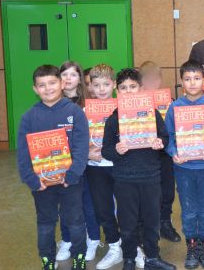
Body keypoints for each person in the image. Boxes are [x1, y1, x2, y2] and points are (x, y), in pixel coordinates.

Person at [101, 69, 176, 270]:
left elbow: (165, 138)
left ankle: (152, 257)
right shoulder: (113, 120)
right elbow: (106, 150)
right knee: (127, 223)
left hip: (151, 177)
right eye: (123, 88)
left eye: (133, 87)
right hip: (124, 179)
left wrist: (160, 143)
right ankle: (129, 258)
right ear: (117, 91)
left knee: (152, 220)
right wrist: (116, 150)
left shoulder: (152, 114)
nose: (129, 91)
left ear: (141, 89)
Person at [17, 64, 89, 270]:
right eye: (42, 85)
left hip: (70, 181)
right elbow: (23, 154)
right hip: (41, 184)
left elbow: (81, 146)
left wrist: (73, 174)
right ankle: (47, 259)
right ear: (34, 89)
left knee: (75, 221)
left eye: (52, 83)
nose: (47, 88)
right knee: (46, 222)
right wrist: (31, 179)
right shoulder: (28, 117)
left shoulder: (75, 112)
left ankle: (79, 257)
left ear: (62, 84)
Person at [164, 60, 204, 270]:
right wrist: (173, 153)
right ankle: (192, 245)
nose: (192, 83)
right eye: (187, 79)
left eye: (196, 78)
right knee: (189, 210)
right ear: (182, 81)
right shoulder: (175, 107)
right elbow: (169, 137)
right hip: (183, 169)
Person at [57, 60, 100, 263]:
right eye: (64, 74)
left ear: (80, 79)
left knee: (87, 204)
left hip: (86, 165)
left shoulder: (89, 104)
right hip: (62, 164)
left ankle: (92, 238)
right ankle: (67, 239)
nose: (68, 78)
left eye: (73, 74)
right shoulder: (52, 105)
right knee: (65, 205)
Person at [85, 64, 124, 269]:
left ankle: (132, 246)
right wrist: (85, 153)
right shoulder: (84, 111)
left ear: (114, 84)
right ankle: (114, 246)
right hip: (95, 166)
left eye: (106, 84)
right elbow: (77, 140)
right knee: (104, 209)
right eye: (96, 84)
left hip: (120, 165)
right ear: (90, 86)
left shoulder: (124, 108)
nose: (101, 89)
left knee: (128, 207)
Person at [139, 61, 182, 243]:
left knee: (167, 191)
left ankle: (165, 223)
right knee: (147, 194)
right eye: (147, 77)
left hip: (164, 152)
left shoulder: (169, 101)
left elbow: (176, 127)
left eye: (155, 77)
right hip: (143, 155)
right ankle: (148, 226)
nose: (152, 81)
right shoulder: (134, 102)